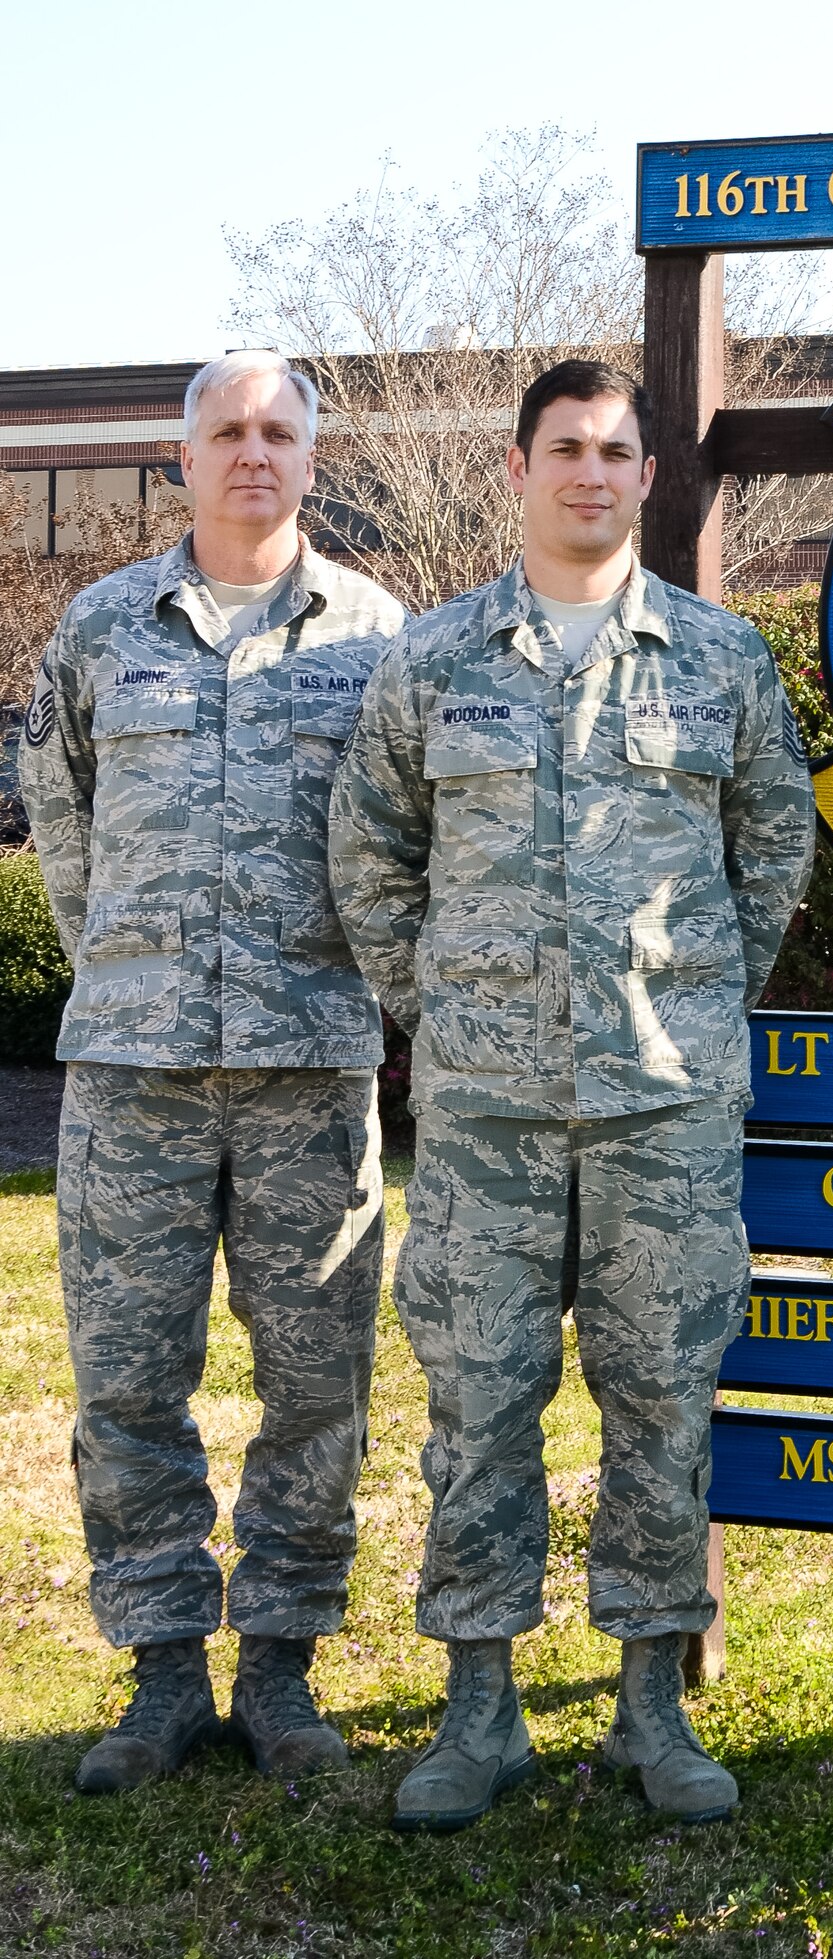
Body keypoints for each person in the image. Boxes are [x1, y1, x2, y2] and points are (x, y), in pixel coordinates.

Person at [330, 359, 814, 1833]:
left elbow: (773, 854)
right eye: (564, 450)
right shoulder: (434, 662)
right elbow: (369, 854)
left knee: (661, 1406)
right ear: (518, 470)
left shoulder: (721, 662)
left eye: (616, 450)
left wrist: (685, 1014)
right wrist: (454, 1014)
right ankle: (479, 1712)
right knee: (478, 1408)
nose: (590, 474)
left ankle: (648, 1709)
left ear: (648, 476)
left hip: (665, 1110)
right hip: (484, 1118)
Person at [19, 350, 403, 1792]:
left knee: (319, 1388)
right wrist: (127, 970)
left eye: (279, 431)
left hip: (313, 1068)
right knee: (127, 1383)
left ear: (313, 459)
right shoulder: (100, 629)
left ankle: (286, 1669)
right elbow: (63, 828)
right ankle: (164, 1676)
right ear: (182, 459)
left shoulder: (379, 634)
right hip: (136, 1074)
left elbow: (408, 834)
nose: (254, 451)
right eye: (227, 430)